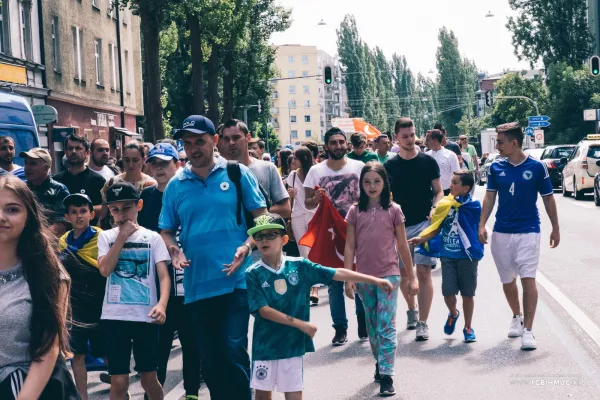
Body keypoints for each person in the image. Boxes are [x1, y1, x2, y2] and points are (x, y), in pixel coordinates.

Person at [160, 115, 267, 400]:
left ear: (214, 141)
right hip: (197, 286)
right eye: (187, 143)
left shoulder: (236, 174)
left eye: (200, 141)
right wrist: (174, 249)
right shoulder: (176, 185)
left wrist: (247, 246)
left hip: (236, 281)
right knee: (211, 358)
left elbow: (262, 219)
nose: (193, 148)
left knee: (233, 348)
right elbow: (166, 230)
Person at [245, 213, 393, 400]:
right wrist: (300, 324)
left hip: (293, 346)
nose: (264, 240)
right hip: (265, 347)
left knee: (294, 395)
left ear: (284, 239)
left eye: (270, 235)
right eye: (259, 236)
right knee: (263, 396)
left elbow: (336, 272)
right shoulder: (253, 273)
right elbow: (263, 310)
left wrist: (374, 280)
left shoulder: (300, 266)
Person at [479, 122, 560, 351]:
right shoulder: (496, 167)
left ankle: (529, 331)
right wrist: (482, 224)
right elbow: (489, 198)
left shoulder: (537, 167)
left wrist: (555, 227)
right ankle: (517, 316)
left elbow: (548, 198)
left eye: (501, 142)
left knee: (528, 278)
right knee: (507, 281)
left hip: (528, 231)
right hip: (502, 232)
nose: (497, 145)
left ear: (514, 143)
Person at [0, 175, 78, 399]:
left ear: (29, 217)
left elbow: (48, 349)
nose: (1, 217)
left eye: (12, 209)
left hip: (30, 387)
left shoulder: (49, 274)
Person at [344, 163, 418, 396]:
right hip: (364, 277)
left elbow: (403, 245)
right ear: (361, 184)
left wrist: (412, 277)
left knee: (387, 326)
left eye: (376, 181)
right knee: (372, 326)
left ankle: (387, 375)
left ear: (384, 183)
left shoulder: (394, 210)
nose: (372, 186)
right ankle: (379, 361)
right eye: (367, 182)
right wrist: (348, 277)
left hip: (389, 275)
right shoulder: (355, 211)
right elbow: (349, 246)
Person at [137, 144, 202, 400]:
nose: (160, 168)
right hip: (157, 282)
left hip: (187, 277)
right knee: (159, 344)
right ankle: (154, 393)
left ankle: (192, 392)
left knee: (190, 341)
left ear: (177, 163)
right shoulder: (146, 197)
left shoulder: (190, 191)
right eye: (155, 163)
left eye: (165, 163)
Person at [98, 182, 171, 400]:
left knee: (149, 378)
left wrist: (162, 304)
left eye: (127, 207)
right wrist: (121, 237)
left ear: (139, 205)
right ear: (109, 210)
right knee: (119, 382)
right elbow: (104, 269)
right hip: (114, 317)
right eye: (115, 209)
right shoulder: (106, 237)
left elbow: (163, 276)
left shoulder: (153, 237)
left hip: (145, 317)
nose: (122, 215)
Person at [304, 127, 367, 346]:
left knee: (358, 275)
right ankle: (340, 328)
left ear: (346, 144)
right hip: (330, 232)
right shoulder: (316, 171)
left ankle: (363, 321)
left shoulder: (359, 167)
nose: (338, 146)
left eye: (341, 142)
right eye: (333, 142)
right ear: (326, 146)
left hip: (356, 229)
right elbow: (307, 202)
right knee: (334, 282)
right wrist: (317, 198)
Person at [384, 118, 443, 341]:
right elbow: (383, 196)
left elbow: (438, 191)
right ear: (396, 138)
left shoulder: (428, 162)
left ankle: (423, 323)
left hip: (423, 225)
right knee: (404, 274)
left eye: (412, 135)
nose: (410, 139)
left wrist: (436, 206)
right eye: (405, 136)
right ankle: (411, 308)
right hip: (399, 228)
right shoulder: (389, 166)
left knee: (424, 272)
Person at [409, 171, 483, 343]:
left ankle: (468, 327)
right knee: (448, 293)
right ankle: (453, 313)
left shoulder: (474, 206)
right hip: (448, 255)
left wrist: (482, 236)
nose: (451, 186)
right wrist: (421, 238)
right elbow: (436, 227)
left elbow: (479, 226)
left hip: (467, 256)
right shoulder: (445, 204)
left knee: (467, 293)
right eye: (451, 182)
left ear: (466, 188)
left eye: (455, 183)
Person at [58, 194, 106, 400]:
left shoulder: (101, 237)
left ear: (92, 214)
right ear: (67, 217)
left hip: (100, 304)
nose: (79, 216)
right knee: (77, 355)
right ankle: (82, 396)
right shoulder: (63, 241)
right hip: (75, 308)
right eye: (74, 212)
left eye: (83, 211)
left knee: (106, 352)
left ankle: (120, 389)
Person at [219, 119, 291, 218]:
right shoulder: (216, 172)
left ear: (248, 137)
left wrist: (256, 209)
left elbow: (286, 210)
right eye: (226, 139)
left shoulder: (267, 168)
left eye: (236, 137)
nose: (231, 142)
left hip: (260, 232)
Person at [287, 146, 319, 304]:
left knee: (313, 251)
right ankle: (309, 285)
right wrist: (290, 195)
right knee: (303, 253)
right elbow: (289, 201)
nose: (293, 160)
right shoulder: (292, 176)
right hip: (297, 216)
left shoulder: (314, 173)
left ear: (304, 159)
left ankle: (315, 288)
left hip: (313, 216)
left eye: (296, 157)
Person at [100, 142, 157, 227]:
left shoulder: (151, 185)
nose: (130, 164)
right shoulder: (111, 183)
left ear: (144, 160)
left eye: (135, 160)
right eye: (127, 160)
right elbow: (103, 215)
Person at [54, 134, 106, 225]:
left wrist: (81, 210)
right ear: (65, 152)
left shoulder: (98, 181)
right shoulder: (55, 181)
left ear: (87, 153)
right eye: (70, 148)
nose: (74, 151)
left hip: (90, 235)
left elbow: (105, 208)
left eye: (78, 148)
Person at [21, 148, 70, 235]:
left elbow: (61, 224)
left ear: (46, 167)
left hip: (48, 243)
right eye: (26, 163)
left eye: (33, 164)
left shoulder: (59, 190)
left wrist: (38, 239)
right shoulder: (21, 188)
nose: (27, 168)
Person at [426, 129, 460, 196]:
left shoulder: (450, 155)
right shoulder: (426, 156)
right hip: (430, 193)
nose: (426, 142)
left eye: (428, 140)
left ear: (435, 140)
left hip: (447, 192)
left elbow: (457, 174)